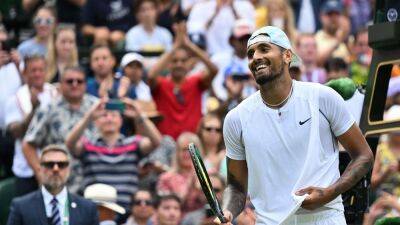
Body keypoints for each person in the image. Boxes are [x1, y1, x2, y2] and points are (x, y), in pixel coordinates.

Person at [217, 26, 373, 225]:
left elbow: (364, 156)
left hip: (325, 219)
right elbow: (236, 187)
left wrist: (328, 193)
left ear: (287, 55)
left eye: (264, 49)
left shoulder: (323, 97)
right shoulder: (235, 119)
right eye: (251, 53)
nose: (255, 57)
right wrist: (228, 211)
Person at [65, 97, 162, 209]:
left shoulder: (133, 143)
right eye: (104, 115)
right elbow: (69, 144)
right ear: (96, 122)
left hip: (127, 211)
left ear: (121, 121)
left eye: (114, 115)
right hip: (95, 210)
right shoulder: (88, 145)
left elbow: (157, 142)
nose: (109, 119)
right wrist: (90, 115)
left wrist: (139, 115)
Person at [22, 67, 98, 193]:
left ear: (85, 84)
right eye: (70, 81)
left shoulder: (97, 107)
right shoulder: (49, 109)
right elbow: (28, 145)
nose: (75, 84)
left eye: (79, 81)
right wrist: (40, 172)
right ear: (61, 84)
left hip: (94, 181)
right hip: (59, 182)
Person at [148, 23, 218, 139]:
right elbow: (151, 76)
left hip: (193, 143)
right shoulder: (161, 84)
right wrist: (175, 46)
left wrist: (189, 45)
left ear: (189, 64)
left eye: (183, 61)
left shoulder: (195, 82)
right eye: (174, 61)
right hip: (167, 143)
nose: (179, 64)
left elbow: (214, 70)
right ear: (168, 65)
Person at [6, 144, 99, 225]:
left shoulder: (87, 208)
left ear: (69, 170)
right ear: (39, 169)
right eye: (49, 164)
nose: (55, 169)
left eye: (61, 164)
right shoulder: (21, 206)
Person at [5, 55, 57, 196]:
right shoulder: (15, 98)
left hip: (54, 166)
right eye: (33, 70)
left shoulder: (55, 93)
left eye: (41, 70)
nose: (38, 74)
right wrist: (33, 110)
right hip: (26, 169)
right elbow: (16, 133)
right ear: (25, 73)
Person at [157, 132, 205, 214]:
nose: (187, 154)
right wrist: (190, 182)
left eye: (190, 150)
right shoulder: (166, 178)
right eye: (183, 150)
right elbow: (171, 207)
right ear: (177, 153)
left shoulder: (209, 175)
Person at [315, 0, 351, 66]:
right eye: (330, 14)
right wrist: (337, 42)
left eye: (337, 14)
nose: (333, 18)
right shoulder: (317, 38)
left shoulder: (345, 36)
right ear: (321, 16)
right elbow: (317, 62)